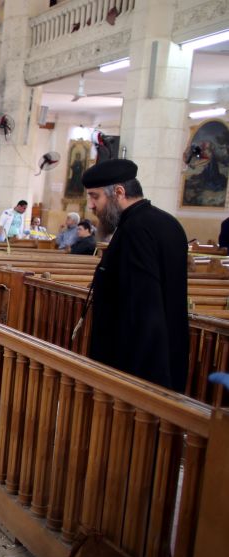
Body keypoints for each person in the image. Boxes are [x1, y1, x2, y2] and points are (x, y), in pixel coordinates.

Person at [83, 158, 188, 391]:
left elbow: (143, 307)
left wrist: (137, 381)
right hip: (167, 356)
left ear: (118, 192)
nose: (91, 205)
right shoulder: (168, 223)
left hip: (136, 368)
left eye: (95, 196)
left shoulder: (134, 229)